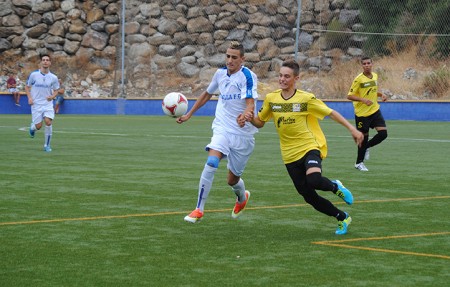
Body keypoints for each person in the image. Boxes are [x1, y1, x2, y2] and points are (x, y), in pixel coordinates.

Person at [238, 60, 364, 235]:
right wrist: (249, 118)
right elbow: (261, 122)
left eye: (287, 76)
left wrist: (352, 129)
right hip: (289, 155)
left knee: (314, 179)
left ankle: (335, 187)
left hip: (309, 147)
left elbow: (330, 113)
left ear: (296, 78)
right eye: (280, 75)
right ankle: (342, 217)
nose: (282, 79)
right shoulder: (272, 99)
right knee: (309, 197)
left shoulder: (306, 99)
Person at [177, 41, 258, 223]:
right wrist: (189, 114)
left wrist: (246, 114)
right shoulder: (220, 74)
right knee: (212, 161)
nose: (229, 60)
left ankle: (242, 197)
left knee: (232, 180)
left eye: (234, 57)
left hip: (243, 134)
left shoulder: (247, 76)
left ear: (242, 59)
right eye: (228, 56)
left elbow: (251, 102)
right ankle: (199, 209)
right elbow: (207, 94)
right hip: (222, 127)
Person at [347, 56, 388, 172]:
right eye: (364, 64)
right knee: (362, 139)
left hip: (374, 110)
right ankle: (358, 163)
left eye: (368, 63)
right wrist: (363, 100)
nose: (366, 65)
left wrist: (381, 95)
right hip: (362, 114)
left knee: (383, 134)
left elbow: (373, 91)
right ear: (362, 65)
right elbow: (349, 96)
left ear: (372, 64)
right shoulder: (358, 79)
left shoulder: (375, 76)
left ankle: (367, 147)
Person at [25, 54, 60, 152]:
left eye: (47, 60)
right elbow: (27, 87)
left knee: (48, 122)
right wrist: (29, 98)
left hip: (48, 104)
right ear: (41, 62)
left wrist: (52, 96)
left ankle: (47, 145)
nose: (45, 61)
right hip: (36, 104)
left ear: (50, 62)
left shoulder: (53, 77)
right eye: (43, 60)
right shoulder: (34, 75)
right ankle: (32, 128)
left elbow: (57, 90)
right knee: (38, 126)